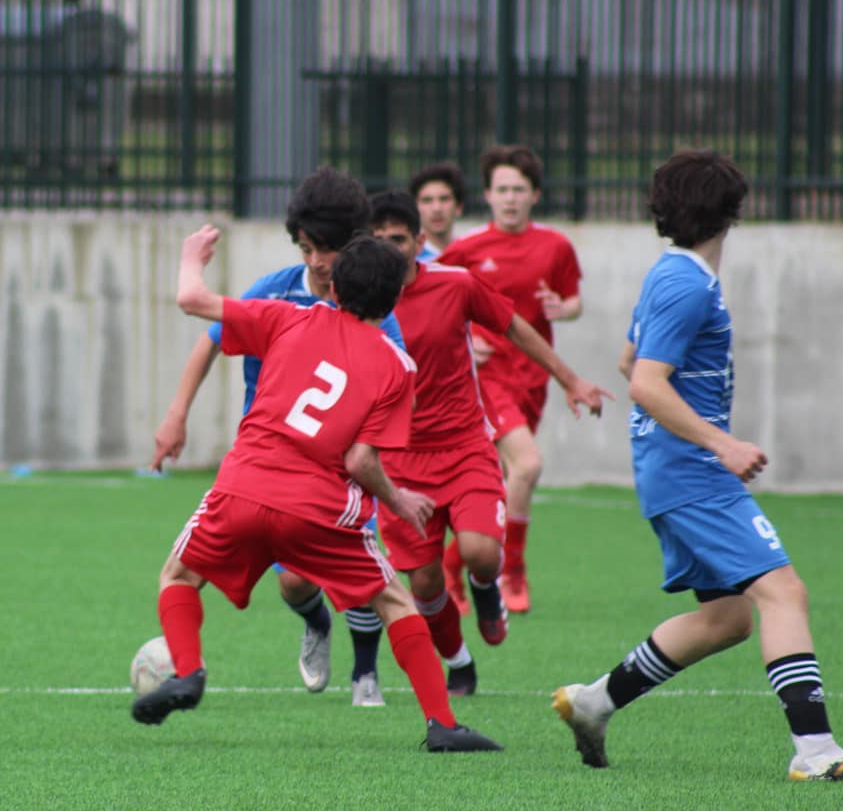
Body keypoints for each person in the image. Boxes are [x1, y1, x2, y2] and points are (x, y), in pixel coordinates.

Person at [552, 150, 843, 782]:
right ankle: (815, 750)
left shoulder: (670, 274)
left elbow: (630, 360)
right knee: (784, 592)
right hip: (691, 473)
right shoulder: (688, 285)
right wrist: (722, 444)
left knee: (726, 619)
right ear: (731, 213)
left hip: (672, 469)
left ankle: (596, 702)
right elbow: (646, 382)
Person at [132, 227, 502, 754]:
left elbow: (192, 299)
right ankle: (442, 724)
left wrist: (193, 256)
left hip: (244, 487)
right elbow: (360, 460)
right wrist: (398, 500)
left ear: (334, 289)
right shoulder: (399, 366)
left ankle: (188, 672)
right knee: (394, 601)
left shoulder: (288, 316)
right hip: (320, 510)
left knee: (179, 575)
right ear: (395, 299)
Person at [152, 167, 396, 706]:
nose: (318, 261)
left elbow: (394, 382)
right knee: (294, 583)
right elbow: (210, 340)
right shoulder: (277, 291)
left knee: (367, 580)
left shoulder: (374, 308)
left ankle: (366, 674)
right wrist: (176, 414)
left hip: (338, 469)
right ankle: (316, 624)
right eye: (307, 248)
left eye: (328, 249)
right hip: (270, 467)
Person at [370, 190, 612, 695]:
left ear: (419, 240)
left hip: (464, 447)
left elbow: (515, 327)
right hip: (399, 460)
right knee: (425, 583)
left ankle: (487, 589)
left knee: (480, 552)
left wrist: (570, 380)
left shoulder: (455, 284)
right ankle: (458, 661)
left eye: (398, 239)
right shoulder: (361, 301)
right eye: (379, 241)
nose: (389, 249)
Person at [439, 144, 584, 613]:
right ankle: (511, 571)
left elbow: (573, 300)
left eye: (519, 190)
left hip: (532, 379)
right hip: (486, 378)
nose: (510, 198)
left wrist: (564, 308)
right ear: (487, 195)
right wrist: (465, 340)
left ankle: (451, 564)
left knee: (504, 482)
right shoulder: (467, 250)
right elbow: (434, 302)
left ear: (535, 195)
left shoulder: (556, 246)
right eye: (501, 189)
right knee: (527, 465)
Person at [409, 161, 466, 262]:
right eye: (427, 200)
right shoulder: (409, 259)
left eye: (444, 199)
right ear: (415, 208)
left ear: (459, 207)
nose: (436, 208)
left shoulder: (470, 253)